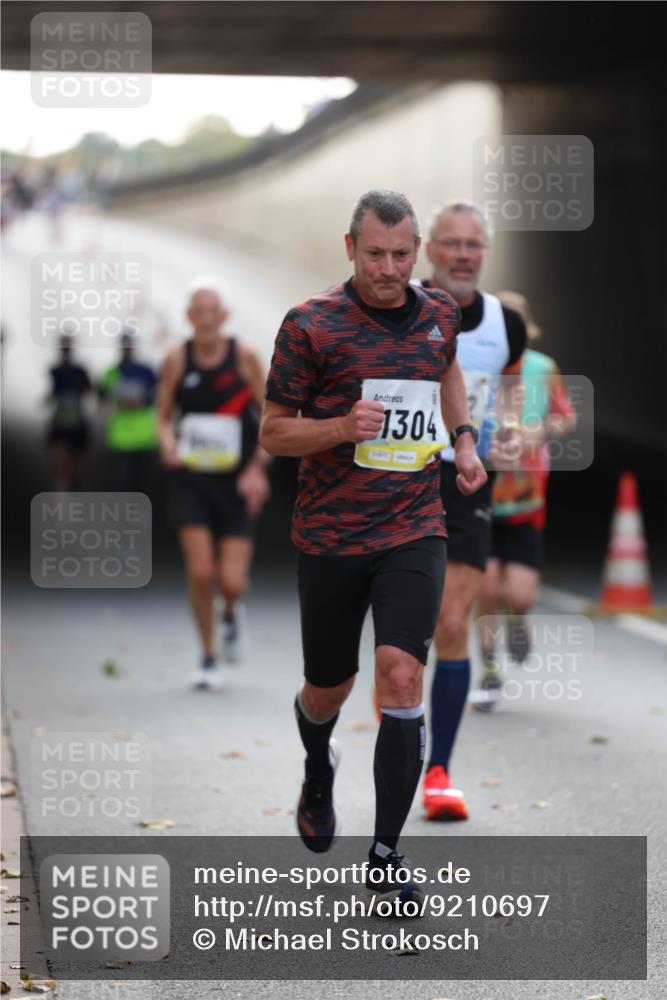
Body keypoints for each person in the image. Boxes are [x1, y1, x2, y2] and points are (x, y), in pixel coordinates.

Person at [259, 190, 486, 903]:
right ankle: (317, 766)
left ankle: (385, 855)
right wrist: (336, 428)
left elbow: (444, 369)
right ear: (349, 247)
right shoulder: (310, 324)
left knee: (398, 677)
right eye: (374, 253)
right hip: (329, 535)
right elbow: (272, 430)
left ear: (415, 252)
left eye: (400, 254)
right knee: (329, 688)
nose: (387, 268)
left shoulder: (438, 313)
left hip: (413, 526)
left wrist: (463, 438)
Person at [419, 201, 528, 821]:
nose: (463, 254)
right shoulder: (398, 308)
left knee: (452, 624)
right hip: (398, 484)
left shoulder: (505, 323)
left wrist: (508, 434)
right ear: (430, 250)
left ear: (484, 253)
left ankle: (439, 773)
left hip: (466, 484)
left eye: (474, 244)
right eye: (451, 243)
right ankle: (401, 690)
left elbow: (509, 400)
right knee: (406, 636)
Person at [158, 278, 271, 687]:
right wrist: (168, 443)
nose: (206, 319)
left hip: (235, 483)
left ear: (224, 315)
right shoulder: (176, 359)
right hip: (192, 481)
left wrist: (257, 468)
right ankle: (207, 656)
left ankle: (231, 612)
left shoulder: (244, 358)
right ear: (188, 316)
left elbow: (271, 420)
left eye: (213, 311)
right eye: (198, 311)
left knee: (232, 581)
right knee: (202, 572)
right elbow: (163, 416)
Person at [473, 291, 576, 705]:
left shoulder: (542, 368)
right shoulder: (478, 365)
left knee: (519, 595)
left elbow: (566, 417)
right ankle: (490, 671)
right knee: (488, 589)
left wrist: (538, 433)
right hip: (480, 496)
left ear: (527, 328)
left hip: (526, 499)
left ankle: (517, 619)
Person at [98, 330, 158, 493]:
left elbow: (159, 397)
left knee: (143, 483)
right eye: (125, 346)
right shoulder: (111, 373)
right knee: (123, 484)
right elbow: (101, 401)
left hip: (144, 437)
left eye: (129, 345)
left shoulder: (147, 372)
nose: (127, 349)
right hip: (120, 438)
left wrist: (141, 402)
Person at [46, 332, 92, 491]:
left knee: (74, 470)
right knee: (62, 468)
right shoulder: (56, 371)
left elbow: (88, 390)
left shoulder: (77, 372)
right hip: (62, 424)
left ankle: (71, 500)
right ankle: (63, 504)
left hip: (76, 424)